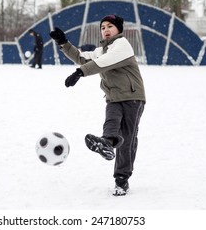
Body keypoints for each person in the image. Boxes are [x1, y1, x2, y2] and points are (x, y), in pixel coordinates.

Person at [49, 15, 146, 196]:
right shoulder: (101, 50)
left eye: (110, 26)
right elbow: (82, 57)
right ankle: (107, 143)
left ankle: (121, 180)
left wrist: (80, 73)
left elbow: (102, 63)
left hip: (133, 97)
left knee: (127, 138)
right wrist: (64, 43)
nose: (106, 30)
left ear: (118, 29)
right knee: (111, 122)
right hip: (113, 97)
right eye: (103, 27)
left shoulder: (122, 45)